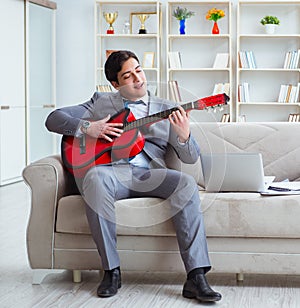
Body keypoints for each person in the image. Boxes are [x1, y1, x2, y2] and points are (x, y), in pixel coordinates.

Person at [45, 50, 222, 303]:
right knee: (95, 177)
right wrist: (89, 127)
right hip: (110, 175)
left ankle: (196, 277)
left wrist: (183, 135)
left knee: (186, 182)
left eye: (138, 70)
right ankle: (111, 271)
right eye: (128, 76)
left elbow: (191, 158)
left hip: (151, 176)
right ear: (115, 84)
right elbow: (54, 119)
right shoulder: (100, 102)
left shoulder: (167, 108)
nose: (137, 79)